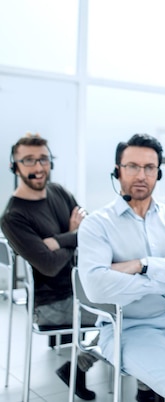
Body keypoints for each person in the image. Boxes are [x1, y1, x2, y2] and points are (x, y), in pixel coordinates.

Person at [77, 133, 165, 402]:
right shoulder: (97, 225)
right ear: (117, 171)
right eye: (132, 166)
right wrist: (164, 280)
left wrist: (141, 266)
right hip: (130, 328)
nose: (141, 175)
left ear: (158, 174)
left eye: (149, 168)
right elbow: (97, 287)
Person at [1, 133, 98, 400]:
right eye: (29, 160)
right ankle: (78, 368)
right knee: (127, 311)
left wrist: (58, 239)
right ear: (15, 166)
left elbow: (91, 231)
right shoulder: (13, 216)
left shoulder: (58, 192)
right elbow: (50, 266)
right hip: (51, 306)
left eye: (43, 159)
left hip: (80, 288)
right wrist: (72, 235)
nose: (38, 167)